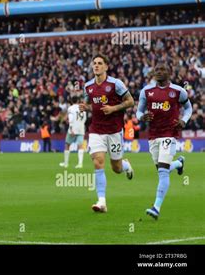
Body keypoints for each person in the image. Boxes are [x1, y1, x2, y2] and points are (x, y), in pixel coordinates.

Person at [136, 63, 192, 220]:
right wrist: (141, 117)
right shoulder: (146, 92)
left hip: (170, 133)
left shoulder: (178, 91)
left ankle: (156, 207)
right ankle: (179, 163)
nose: (159, 72)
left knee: (162, 172)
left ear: (170, 72)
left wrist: (184, 120)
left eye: (163, 69)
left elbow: (188, 108)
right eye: (157, 70)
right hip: (153, 135)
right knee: (162, 169)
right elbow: (138, 111)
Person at [80, 54, 135, 213]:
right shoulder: (88, 87)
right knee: (98, 161)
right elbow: (93, 106)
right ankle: (102, 202)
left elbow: (130, 101)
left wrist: (113, 108)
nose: (96, 66)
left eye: (99, 63)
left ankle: (125, 165)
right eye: (94, 63)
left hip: (114, 131)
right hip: (96, 130)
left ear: (106, 67)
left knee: (116, 168)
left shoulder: (115, 84)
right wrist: (86, 108)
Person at [60, 96, 87, 168]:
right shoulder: (82, 108)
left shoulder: (71, 108)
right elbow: (85, 119)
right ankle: (80, 164)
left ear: (71, 101)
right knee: (80, 146)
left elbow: (71, 119)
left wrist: (71, 128)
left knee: (67, 144)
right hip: (81, 128)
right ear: (78, 101)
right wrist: (81, 125)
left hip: (73, 129)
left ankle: (66, 164)